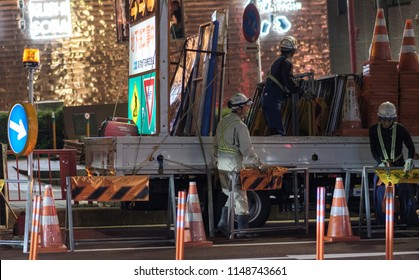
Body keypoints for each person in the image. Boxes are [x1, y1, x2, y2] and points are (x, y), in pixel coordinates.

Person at [214, 93, 268, 237]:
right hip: (233, 165)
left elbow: (215, 144)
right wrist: (259, 164)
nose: (246, 110)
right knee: (241, 196)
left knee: (230, 194)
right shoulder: (240, 126)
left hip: (221, 164)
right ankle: (243, 230)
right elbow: (247, 149)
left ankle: (223, 223)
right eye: (244, 107)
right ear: (239, 109)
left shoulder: (222, 122)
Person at [369, 101, 419, 226]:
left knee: (406, 192)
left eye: (389, 120)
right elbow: (373, 149)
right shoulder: (374, 130)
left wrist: (409, 159)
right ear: (379, 118)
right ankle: (383, 224)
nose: (387, 123)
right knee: (380, 193)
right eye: (384, 120)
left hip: (399, 165)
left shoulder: (400, 129)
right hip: (383, 167)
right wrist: (379, 162)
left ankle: (410, 223)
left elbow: (410, 147)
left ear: (393, 119)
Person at [262, 35, 301, 136]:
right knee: (277, 132)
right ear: (292, 51)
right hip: (273, 99)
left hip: (267, 98)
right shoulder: (286, 62)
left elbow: (278, 80)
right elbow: (287, 79)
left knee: (273, 129)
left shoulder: (277, 61)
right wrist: (298, 90)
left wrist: (285, 94)